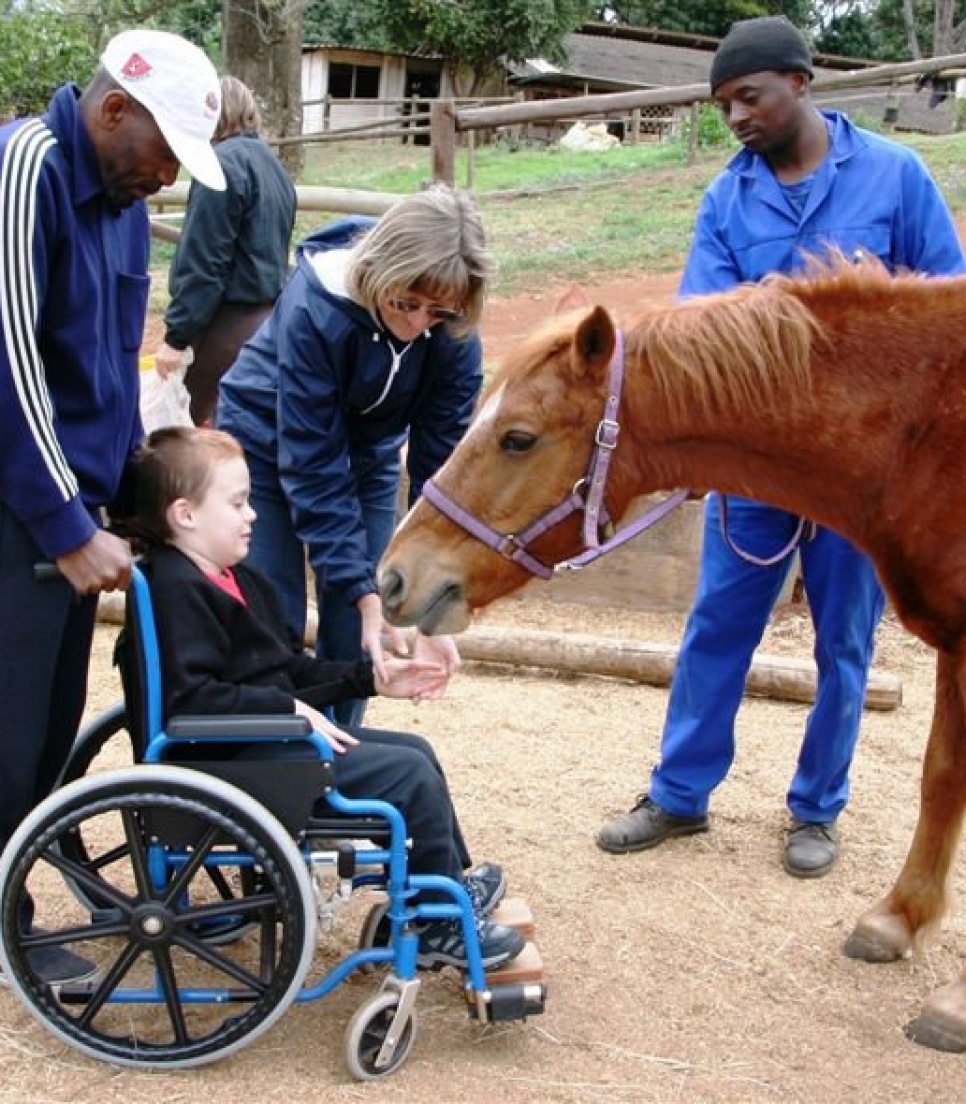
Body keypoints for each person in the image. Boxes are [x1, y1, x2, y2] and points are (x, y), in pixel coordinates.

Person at [597, 15, 966, 878]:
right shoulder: (729, 198)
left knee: (844, 638)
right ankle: (678, 795)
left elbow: (946, 312)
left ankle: (817, 809)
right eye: (723, 104)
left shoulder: (895, 175)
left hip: (866, 476)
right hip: (760, 470)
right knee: (718, 624)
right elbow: (699, 326)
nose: (736, 117)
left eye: (748, 96)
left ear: (801, 83)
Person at [0, 29, 227, 988]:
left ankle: (13, 882)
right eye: (164, 151)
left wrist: (137, 486)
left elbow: (105, 364)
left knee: (48, 728)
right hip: (17, 508)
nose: (168, 176)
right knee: (6, 729)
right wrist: (65, 522)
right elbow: (11, 364)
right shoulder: (28, 168)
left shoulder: (125, 202)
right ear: (114, 110)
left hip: (69, 506)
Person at [131, 425, 524, 970]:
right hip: (231, 760)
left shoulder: (238, 580)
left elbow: (290, 672)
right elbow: (191, 699)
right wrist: (287, 710)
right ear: (185, 515)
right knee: (406, 775)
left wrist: (372, 680)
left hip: (270, 745)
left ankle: (443, 888)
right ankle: (437, 923)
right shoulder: (177, 588)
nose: (252, 515)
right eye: (238, 503)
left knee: (415, 750)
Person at [216, 185, 494, 728]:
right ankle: (273, 760)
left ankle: (338, 757)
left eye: (437, 311)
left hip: (367, 455)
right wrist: (357, 587)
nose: (419, 323)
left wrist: (432, 616)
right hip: (267, 447)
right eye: (406, 303)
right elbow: (312, 460)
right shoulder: (317, 306)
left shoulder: (453, 332)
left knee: (364, 619)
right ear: (380, 276)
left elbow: (439, 471)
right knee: (274, 615)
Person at [154, 75, 297, 426]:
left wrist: (177, 337)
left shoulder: (218, 164)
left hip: (226, 328)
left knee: (188, 436)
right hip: (269, 322)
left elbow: (204, 263)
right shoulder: (274, 166)